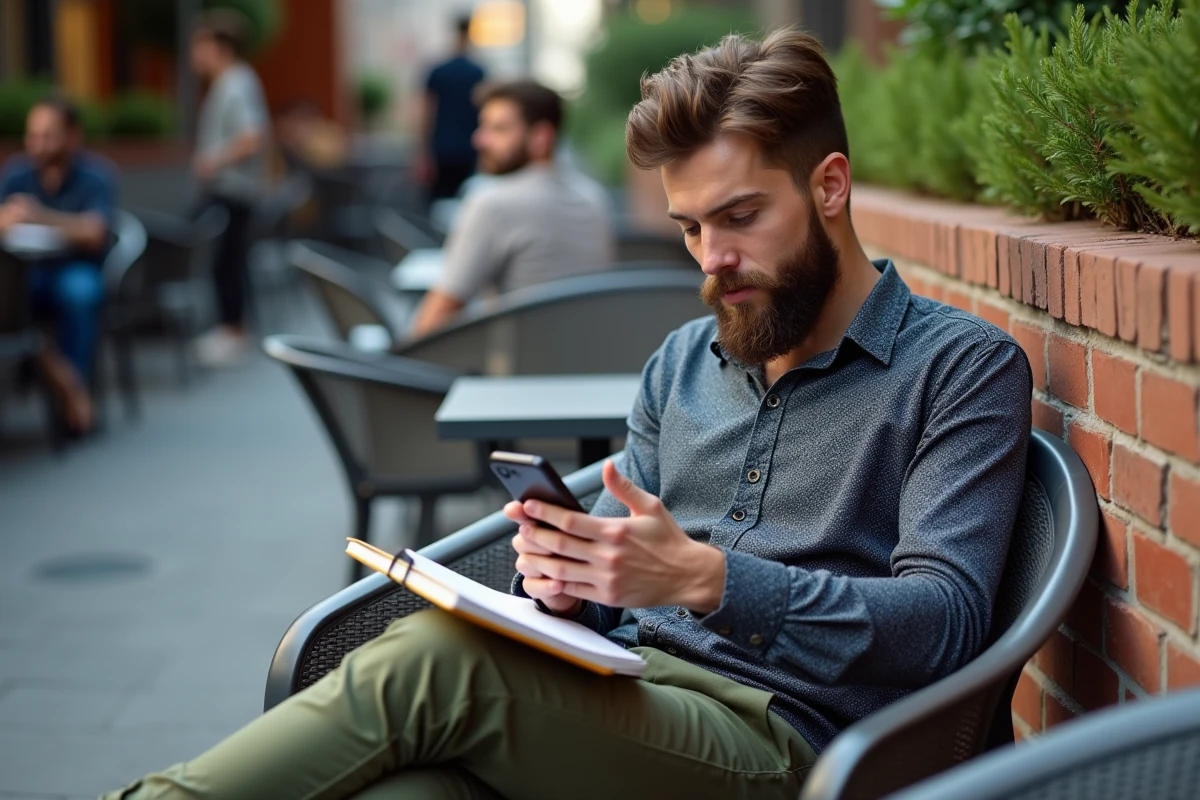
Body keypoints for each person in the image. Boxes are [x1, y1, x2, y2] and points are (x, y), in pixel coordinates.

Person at [101, 29, 1032, 800]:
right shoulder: (681, 362)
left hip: (801, 746)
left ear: (829, 187)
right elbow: (632, 577)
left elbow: (947, 622)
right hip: (627, 694)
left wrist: (712, 581)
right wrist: (571, 580)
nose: (713, 259)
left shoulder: (958, 369)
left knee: (438, 663)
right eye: (691, 229)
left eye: (741, 217)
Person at [409, 79, 615, 337]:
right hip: (593, 365)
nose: (479, 140)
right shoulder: (594, 198)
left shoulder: (491, 203)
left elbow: (433, 322)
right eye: (483, 126)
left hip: (515, 370)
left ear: (541, 137)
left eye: (499, 129)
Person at [0, 97, 115, 435]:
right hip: (26, 273)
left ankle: (71, 401)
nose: (37, 144)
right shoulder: (16, 173)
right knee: (10, 301)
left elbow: (95, 231)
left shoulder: (97, 176)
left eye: (48, 135)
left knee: (77, 293)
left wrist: (41, 216)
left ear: (72, 135)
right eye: (32, 135)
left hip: (75, 267)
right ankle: (69, 388)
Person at [188, 9, 269, 366]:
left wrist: (214, 160)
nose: (194, 56)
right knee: (228, 261)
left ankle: (232, 331)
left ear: (219, 46)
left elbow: (253, 138)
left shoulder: (235, 83)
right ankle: (232, 329)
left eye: (200, 46)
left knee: (227, 262)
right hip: (230, 190)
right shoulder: (232, 82)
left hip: (232, 190)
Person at [419, 15, 486, 205]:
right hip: (469, 150)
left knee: (438, 208)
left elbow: (426, 114)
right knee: (466, 204)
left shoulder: (438, 71)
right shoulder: (478, 72)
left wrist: (423, 152)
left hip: (442, 148)